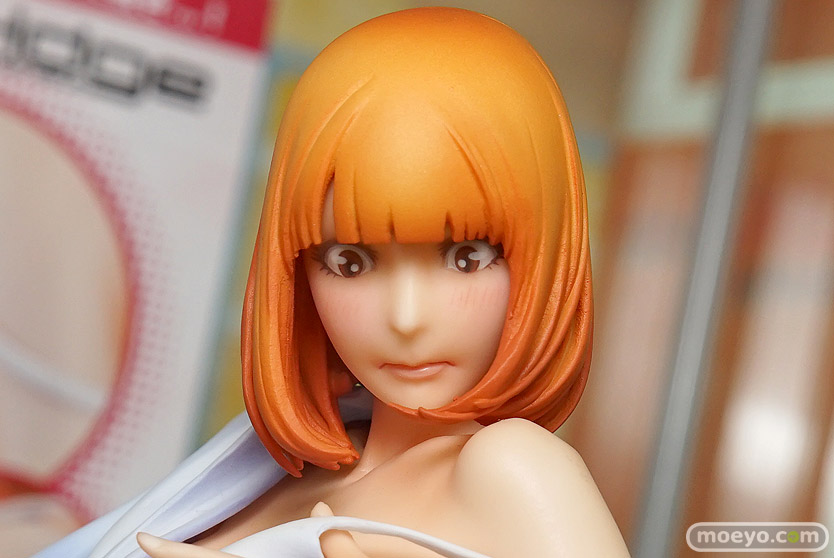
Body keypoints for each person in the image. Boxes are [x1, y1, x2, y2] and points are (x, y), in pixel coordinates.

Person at [35, 7, 629, 558]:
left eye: (465, 257)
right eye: (351, 263)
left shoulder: (512, 470)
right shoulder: (266, 466)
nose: (406, 317)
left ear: (543, 253)